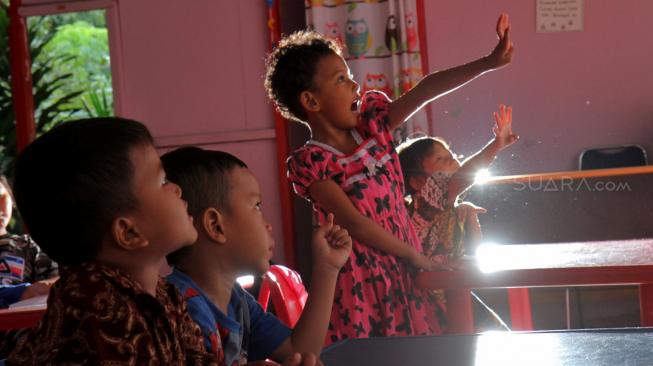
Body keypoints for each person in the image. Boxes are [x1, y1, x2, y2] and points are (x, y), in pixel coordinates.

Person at [264, 14, 514, 342]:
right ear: (311, 101)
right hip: (363, 289)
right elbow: (354, 223)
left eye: (350, 76)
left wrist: (488, 62)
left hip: (406, 275)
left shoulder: (374, 129)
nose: (355, 85)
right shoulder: (313, 163)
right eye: (341, 79)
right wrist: (415, 257)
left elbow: (424, 90)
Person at [7, 117, 218, 365]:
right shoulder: (94, 302)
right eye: (163, 182)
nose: (178, 189)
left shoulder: (162, 292)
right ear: (129, 233)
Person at [162, 146, 352, 365]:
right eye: (257, 206)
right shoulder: (182, 310)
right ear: (216, 226)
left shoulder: (237, 301)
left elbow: (300, 351)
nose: (268, 225)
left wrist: (327, 269)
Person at [397, 105, 517, 324]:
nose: (453, 162)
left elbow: (475, 253)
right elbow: (461, 179)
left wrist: (469, 215)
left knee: (494, 330)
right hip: (425, 298)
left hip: (454, 291)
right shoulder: (423, 206)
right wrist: (496, 145)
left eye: (451, 156)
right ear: (417, 182)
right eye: (441, 160)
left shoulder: (453, 208)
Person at [0, 174, 58, 308]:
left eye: (1, 197)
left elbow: (62, 280)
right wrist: (19, 292)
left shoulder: (29, 245)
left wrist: (40, 288)